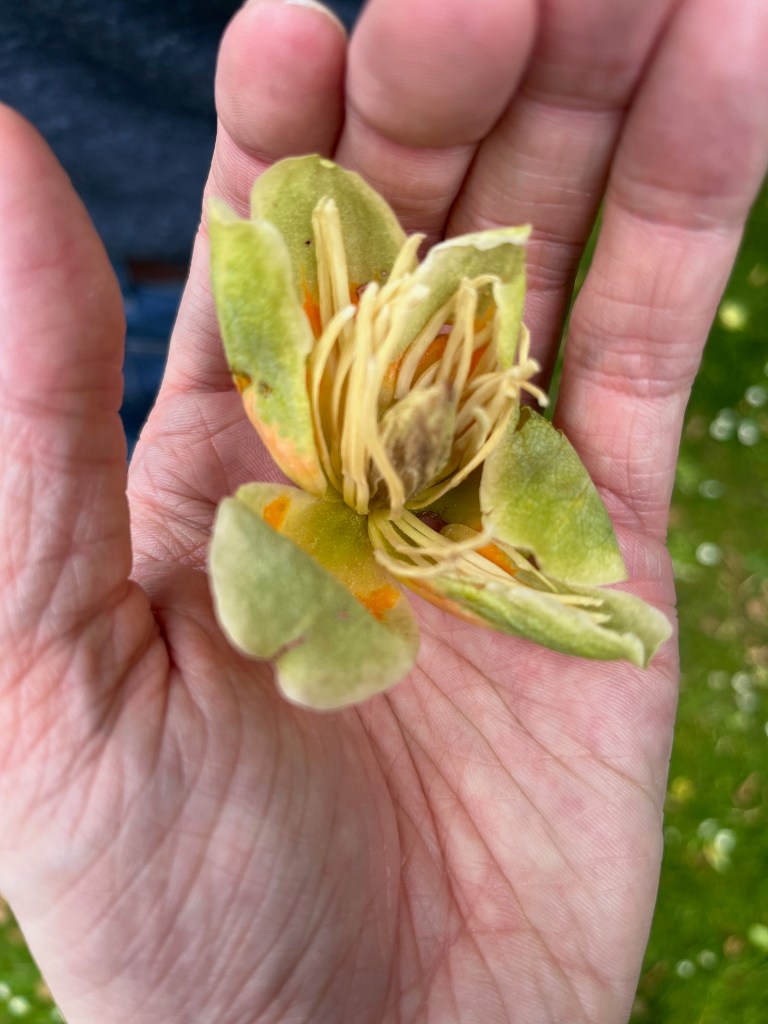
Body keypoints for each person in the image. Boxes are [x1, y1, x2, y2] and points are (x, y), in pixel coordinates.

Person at [0, 1, 765, 1022]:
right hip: (148, 228)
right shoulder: (298, 432)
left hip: (233, 162)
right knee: (146, 403)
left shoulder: (474, 445)